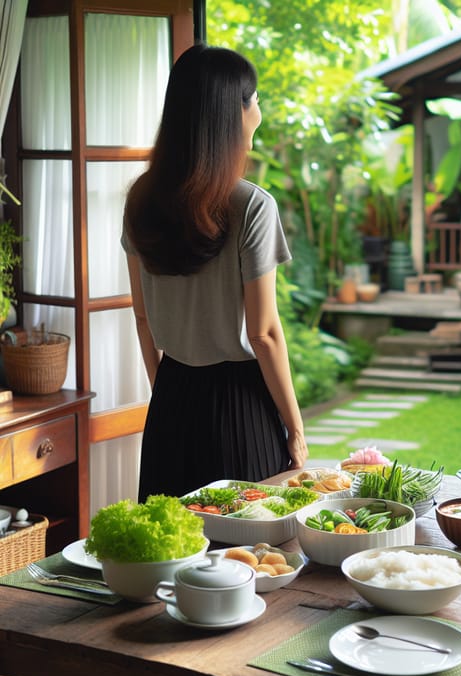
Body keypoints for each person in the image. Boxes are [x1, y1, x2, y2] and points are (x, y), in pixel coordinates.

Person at [122, 44, 308, 501]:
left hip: (171, 397)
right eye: (256, 98)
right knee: (247, 559)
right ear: (233, 113)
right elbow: (263, 334)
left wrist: (165, 390)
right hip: (240, 407)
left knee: (166, 559)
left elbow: (142, 317)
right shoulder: (252, 206)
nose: (259, 111)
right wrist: (296, 429)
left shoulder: (141, 198)